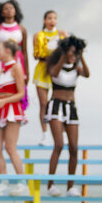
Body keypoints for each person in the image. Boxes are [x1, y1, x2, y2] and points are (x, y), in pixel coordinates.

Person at [43, 36, 90, 197]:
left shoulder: (76, 68)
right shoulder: (55, 65)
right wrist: (63, 54)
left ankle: (70, 186)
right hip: (56, 105)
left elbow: (88, 74)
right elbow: (53, 73)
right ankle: (50, 185)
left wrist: (81, 56)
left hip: (71, 107)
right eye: (71, 52)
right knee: (59, 145)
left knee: (74, 148)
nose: (73, 55)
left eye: (75, 53)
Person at [0, 40, 28, 197]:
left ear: (8, 51)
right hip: (0, 109)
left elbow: (21, 93)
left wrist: (4, 101)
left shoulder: (16, 67)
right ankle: (3, 182)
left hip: (11, 109)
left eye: (0, 50)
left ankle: (22, 182)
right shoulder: (2, 70)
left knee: (11, 147)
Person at [32, 10, 66, 146]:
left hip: (58, 71)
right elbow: (36, 54)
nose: (52, 21)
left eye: (54, 18)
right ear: (44, 20)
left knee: (60, 101)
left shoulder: (62, 34)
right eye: (49, 18)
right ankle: (45, 134)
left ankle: (63, 132)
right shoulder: (38, 35)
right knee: (43, 104)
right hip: (42, 71)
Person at [0, 0, 29, 86]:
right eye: (6, 9)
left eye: (11, 8)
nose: (9, 10)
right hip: (0, 61)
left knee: (17, 90)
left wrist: (27, 72)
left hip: (17, 60)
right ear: (2, 13)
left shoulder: (22, 29)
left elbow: (25, 51)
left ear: (15, 11)